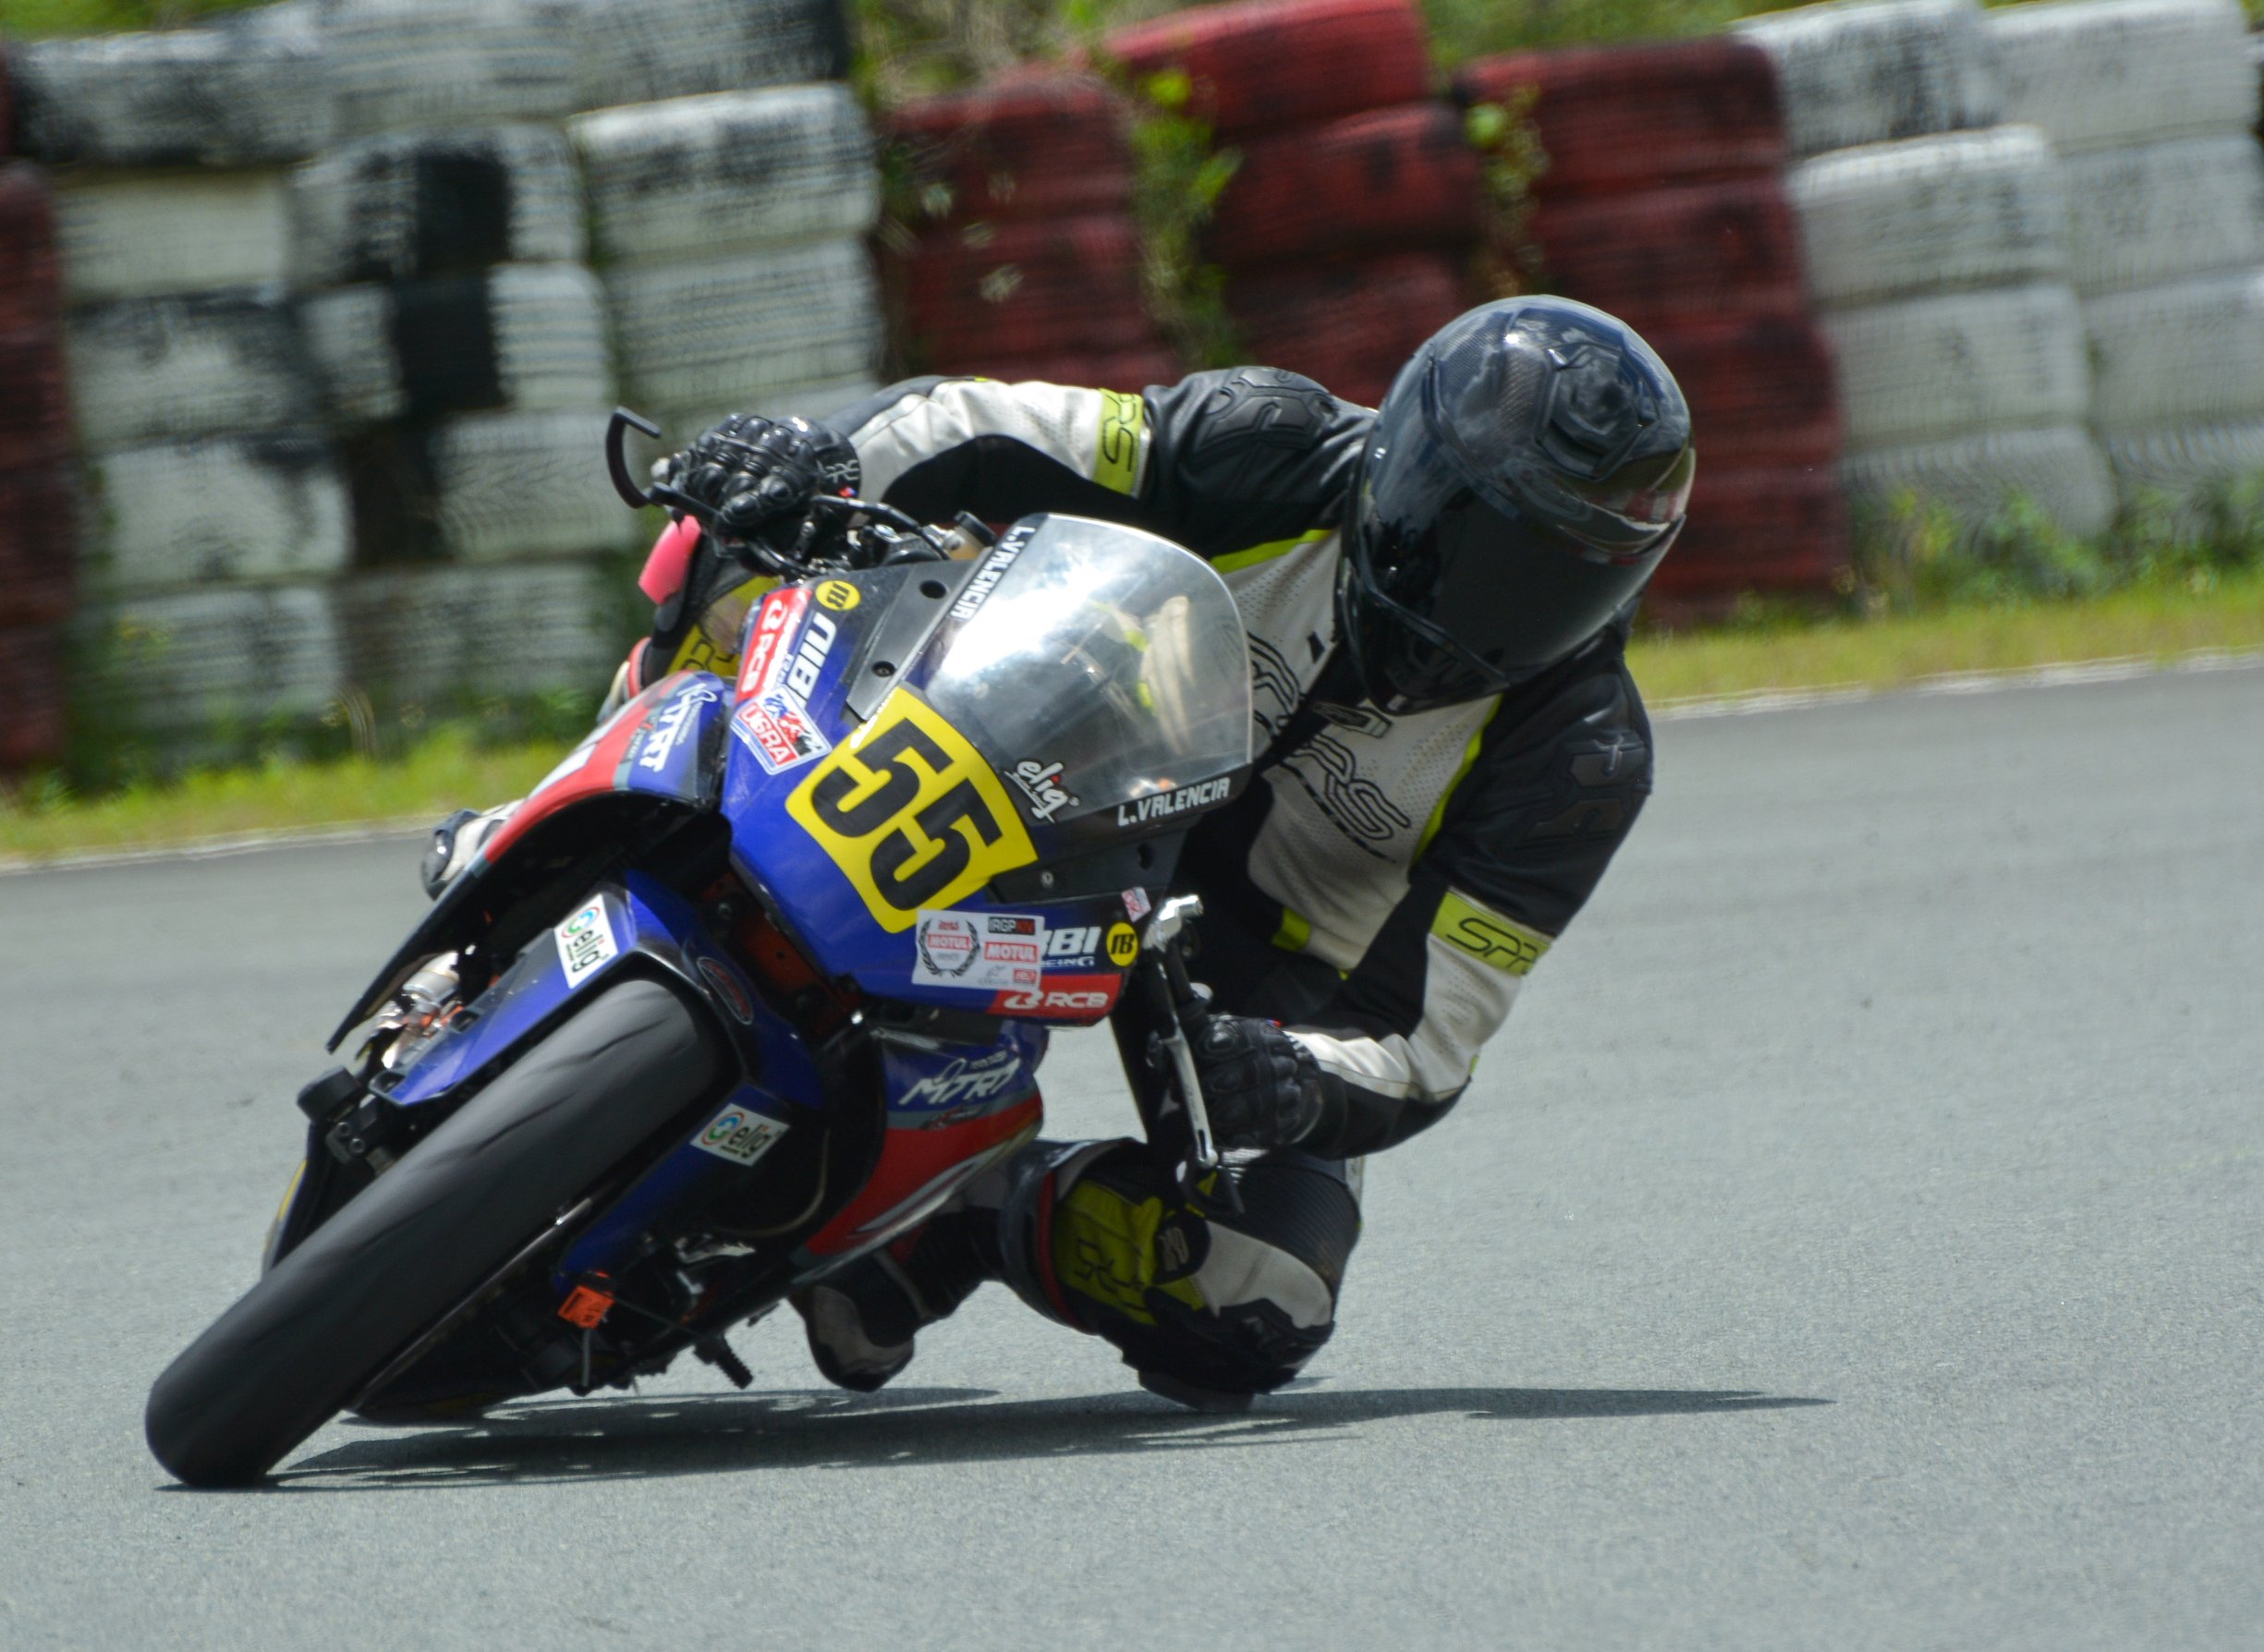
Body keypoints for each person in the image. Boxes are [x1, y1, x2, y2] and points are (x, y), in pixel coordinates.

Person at [441, 296, 1695, 1410]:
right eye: (1481, 541)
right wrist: (814, 457)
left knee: (1254, 1302)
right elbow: (981, 427)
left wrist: (1292, 1078)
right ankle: (562, 830)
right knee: (739, 549)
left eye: (1553, 578)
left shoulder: (1578, 758)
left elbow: (1431, 1033)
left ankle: (960, 1221)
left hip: (1244, 972)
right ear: (1409, 470)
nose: (1495, 600)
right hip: (1053, 747)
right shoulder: (1266, 440)